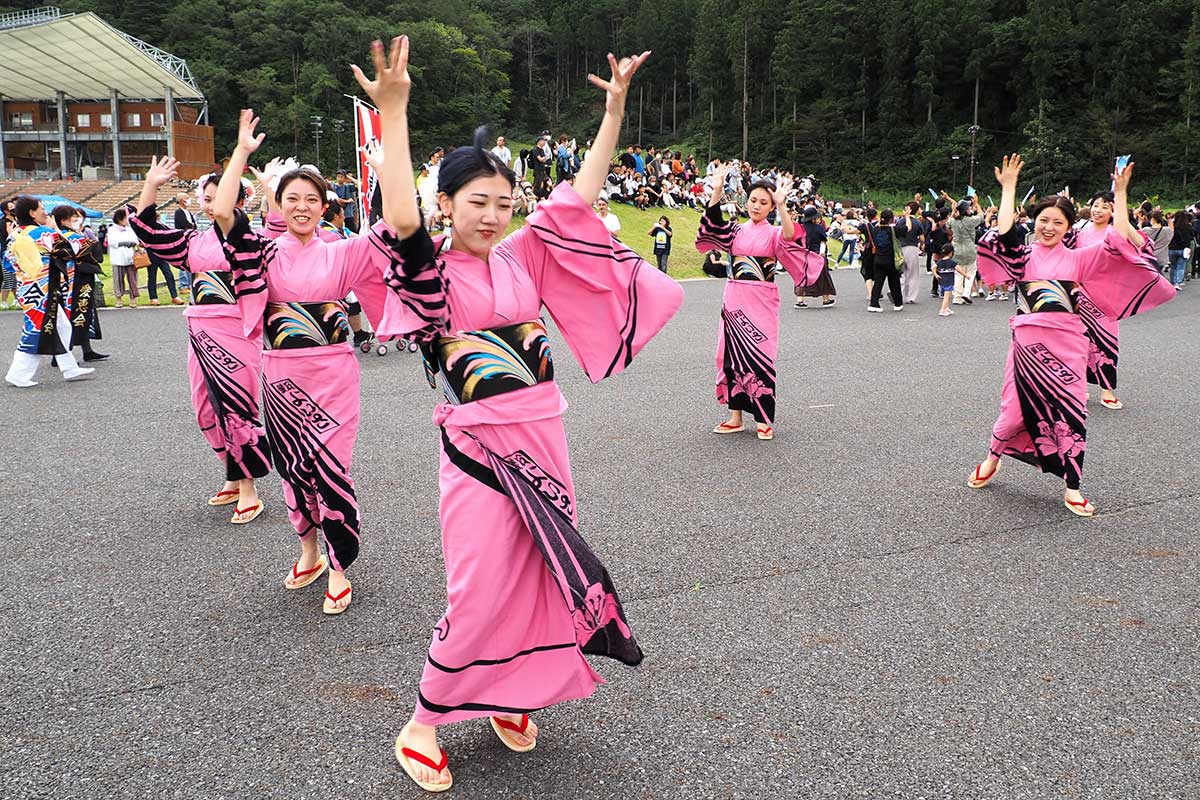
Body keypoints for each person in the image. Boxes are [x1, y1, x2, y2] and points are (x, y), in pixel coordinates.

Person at [371, 40, 680, 794]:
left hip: (545, 437)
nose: (493, 214)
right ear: (446, 203)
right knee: (479, 588)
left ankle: (511, 692)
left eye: (503, 203)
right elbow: (402, 220)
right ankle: (422, 721)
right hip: (479, 452)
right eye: (477, 201)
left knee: (543, 576)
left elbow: (579, 195)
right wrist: (395, 111)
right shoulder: (429, 277)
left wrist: (613, 113)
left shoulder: (524, 256)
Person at [210, 95, 407, 615]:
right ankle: (309, 552)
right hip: (278, 377)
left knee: (332, 466)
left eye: (311, 200)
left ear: (325, 207)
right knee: (295, 467)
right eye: (291, 198)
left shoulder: (344, 251)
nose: (301, 206)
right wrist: (239, 151)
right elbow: (222, 210)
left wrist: (386, 173)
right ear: (278, 204)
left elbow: (393, 228)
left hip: (334, 375)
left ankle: (340, 566)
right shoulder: (261, 253)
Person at [969, 154, 1173, 517]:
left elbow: (1123, 241)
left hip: (1069, 347)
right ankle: (993, 456)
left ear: (1068, 228)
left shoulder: (1080, 259)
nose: (1049, 227)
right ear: (1034, 223)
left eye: (1057, 222)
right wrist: (1010, 188)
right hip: (1027, 347)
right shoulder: (1022, 256)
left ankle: (1072, 487)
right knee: (1012, 412)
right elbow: (1001, 234)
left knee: (1071, 413)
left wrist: (1121, 193)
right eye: (1043, 220)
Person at [129, 161, 270, 525]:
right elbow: (148, 231)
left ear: (239, 201)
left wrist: (269, 189)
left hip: (237, 331)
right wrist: (151, 183)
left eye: (216, 199)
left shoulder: (250, 241)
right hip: (199, 331)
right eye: (205, 199)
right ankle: (233, 472)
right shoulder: (194, 241)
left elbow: (280, 232)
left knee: (236, 408)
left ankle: (249, 489)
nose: (209, 206)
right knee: (205, 409)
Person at [696, 162, 825, 441]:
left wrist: (782, 205)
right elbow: (712, 226)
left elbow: (791, 236)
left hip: (761, 300)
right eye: (753, 200)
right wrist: (717, 190)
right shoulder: (735, 231)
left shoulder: (775, 233)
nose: (756, 205)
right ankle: (735, 417)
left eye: (763, 202)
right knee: (728, 356)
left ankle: (764, 419)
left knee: (760, 356)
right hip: (734, 297)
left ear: (769, 207)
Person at [3, 196, 95, 386]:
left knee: (61, 325)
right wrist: (56, 229)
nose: (45, 212)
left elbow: (8, 263)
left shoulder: (15, 234)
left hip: (27, 288)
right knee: (37, 329)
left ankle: (69, 368)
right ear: (31, 213)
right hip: (41, 290)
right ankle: (18, 374)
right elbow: (75, 250)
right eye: (41, 208)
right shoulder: (42, 233)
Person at [52, 205, 106, 361]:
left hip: (68, 279)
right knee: (76, 313)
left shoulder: (58, 235)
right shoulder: (69, 235)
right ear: (64, 220)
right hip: (75, 280)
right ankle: (60, 355)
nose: (77, 220)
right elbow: (94, 251)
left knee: (81, 313)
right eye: (73, 217)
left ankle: (85, 350)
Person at [793, 205, 835, 308]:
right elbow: (823, 241)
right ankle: (826, 299)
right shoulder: (818, 228)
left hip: (803, 256)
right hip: (816, 255)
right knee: (823, 277)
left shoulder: (800, 228)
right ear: (813, 218)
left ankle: (800, 300)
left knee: (803, 276)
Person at [866, 208, 904, 312]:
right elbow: (907, 228)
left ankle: (873, 303)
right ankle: (898, 303)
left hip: (878, 259)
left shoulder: (875, 229)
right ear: (891, 219)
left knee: (878, 282)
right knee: (894, 282)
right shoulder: (893, 230)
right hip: (891, 260)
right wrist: (908, 216)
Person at [948, 196, 983, 305]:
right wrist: (977, 203)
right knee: (971, 271)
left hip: (956, 248)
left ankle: (957, 297)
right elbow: (981, 217)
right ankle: (966, 293)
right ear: (965, 210)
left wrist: (954, 211)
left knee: (958, 273)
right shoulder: (970, 221)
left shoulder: (953, 221)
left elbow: (947, 223)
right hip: (969, 248)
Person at [107, 208, 141, 308]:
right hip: (118, 258)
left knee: (133, 279)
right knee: (118, 279)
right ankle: (118, 298)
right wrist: (124, 243)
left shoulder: (130, 229)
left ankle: (133, 298)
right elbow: (112, 242)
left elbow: (136, 241)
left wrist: (134, 244)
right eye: (126, 218)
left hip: (131, 258)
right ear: (119, 219)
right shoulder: (112, 229)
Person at [894, 201, 926, 304]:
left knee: (901, 273)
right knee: (913, 274)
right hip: (912, 247)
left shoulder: (899, 221)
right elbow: (922, 238)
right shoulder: (917, 222)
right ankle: (911, 297)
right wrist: (921, 244)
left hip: (900, 248)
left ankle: (896, 293)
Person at [1167, 210, 1193, 289]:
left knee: (1173, 266)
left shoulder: (1173, 226)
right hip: (1183, 249)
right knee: (1181, 266)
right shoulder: (1188, 226)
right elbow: (1191, 237)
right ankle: (1178, 283)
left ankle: (1172, 281)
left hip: (1172, 248)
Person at [2, 199, 19, 309]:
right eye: (11, 207)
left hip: (17, 252)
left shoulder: (18, 221)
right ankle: (3, 301)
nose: (14, 209)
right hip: (7, 252)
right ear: (6, 211)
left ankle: (16, 300)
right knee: (8, 277)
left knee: (15, 278)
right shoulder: (3, 223)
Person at [934, 242, 958, 317]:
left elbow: (933, 267)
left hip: (942, 281)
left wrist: (936, 275)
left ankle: (947, 308)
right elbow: (958, 269)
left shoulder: (940, 261)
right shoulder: (952, 262)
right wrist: (965, 275)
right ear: (951, 253)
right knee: (946, 296)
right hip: (949, 281)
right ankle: (942, 309)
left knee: (945, 295)